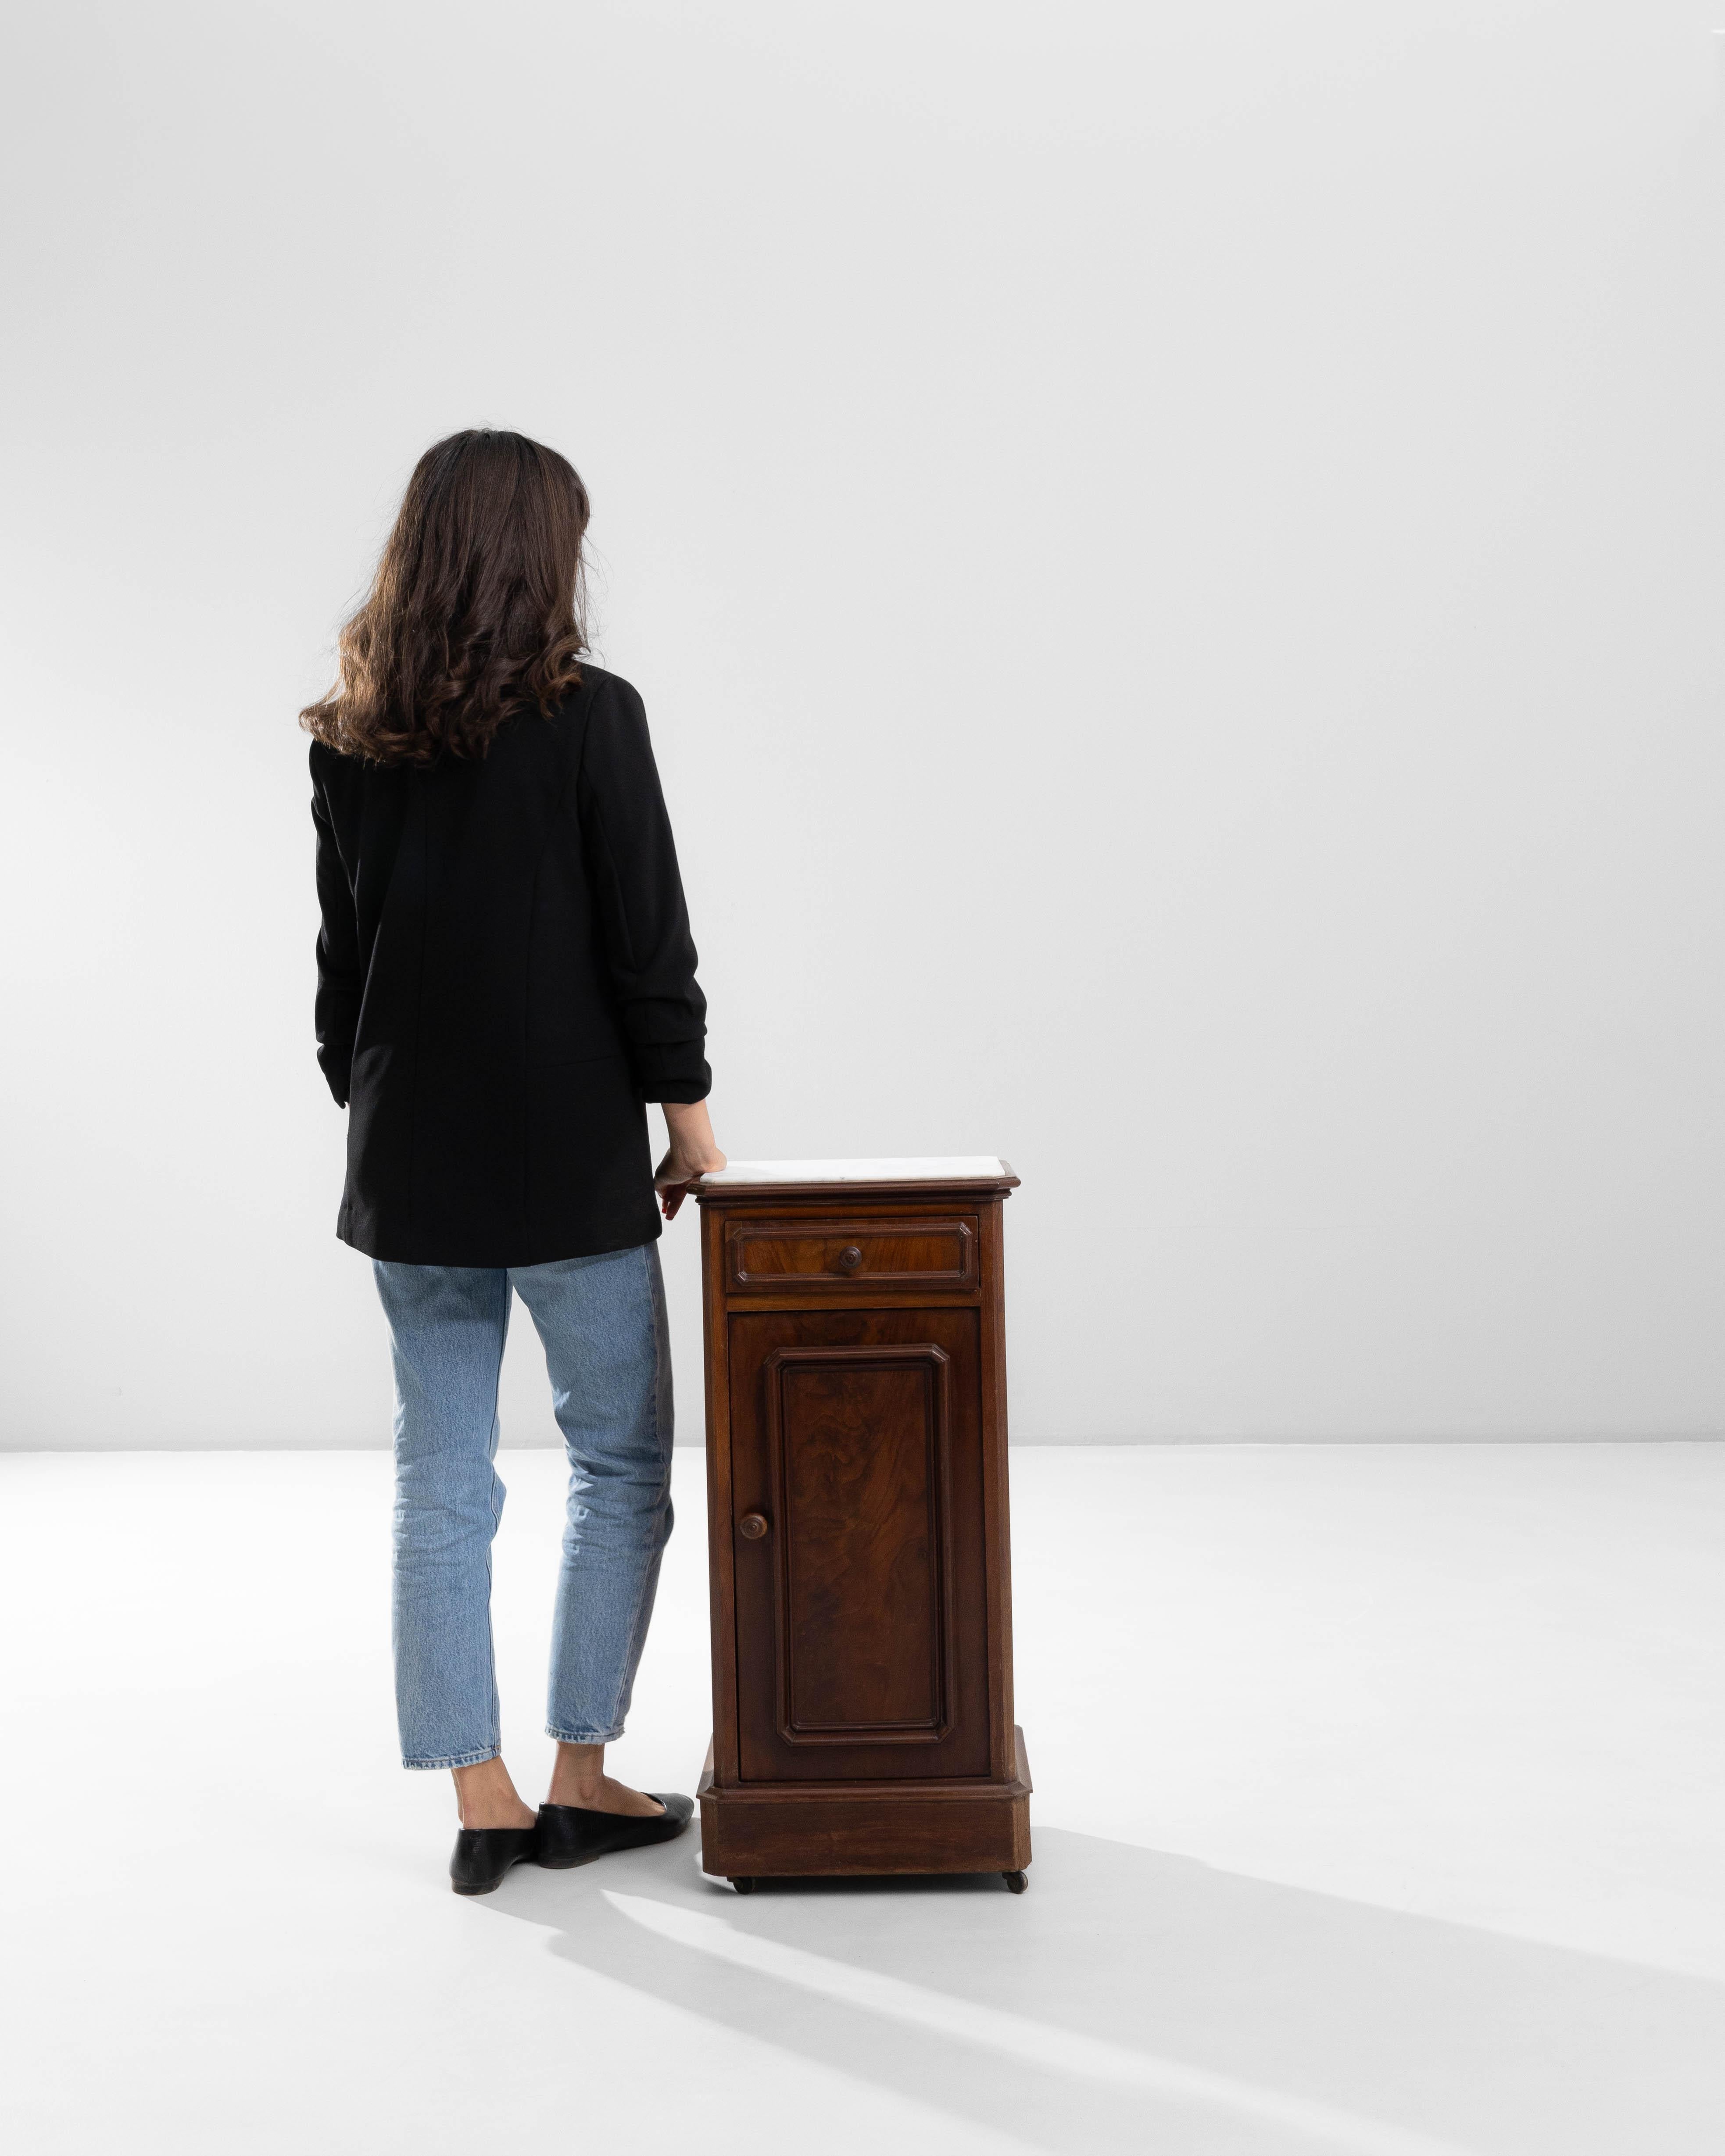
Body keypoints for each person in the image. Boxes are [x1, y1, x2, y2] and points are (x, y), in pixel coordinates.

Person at [301, 429, 725, 1895]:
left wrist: (385, 1115)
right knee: (617, 1462)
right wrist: (692, 1132)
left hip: (409, 1167)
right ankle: (582, 1774)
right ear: (542, 554)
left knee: (441, 1478)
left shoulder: (350, 740)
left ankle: (480, 1798)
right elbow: (646, 948)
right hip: (568, 1173)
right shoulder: (594, 718)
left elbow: (340, 980)